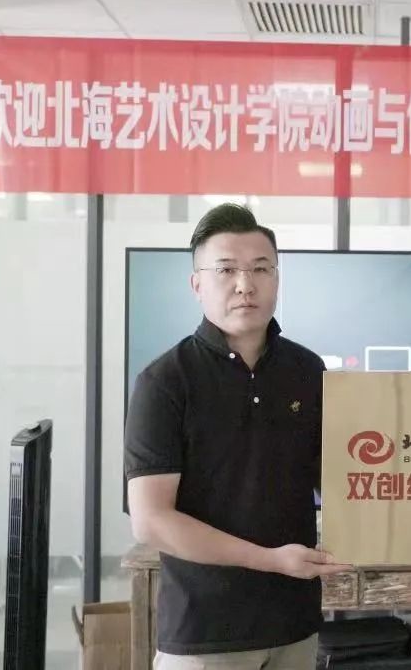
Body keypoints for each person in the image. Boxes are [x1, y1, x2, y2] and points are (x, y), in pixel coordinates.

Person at [124, 202, 350, 670]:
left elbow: (336, 479)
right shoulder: (165, 381)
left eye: (261, 269)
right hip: (204, 635)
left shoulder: (307, 370)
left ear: (277, 279)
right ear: (197, 284)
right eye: (226, 270)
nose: (246, 285)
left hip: (294, 625)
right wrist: (271, 560)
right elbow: (151, 521)